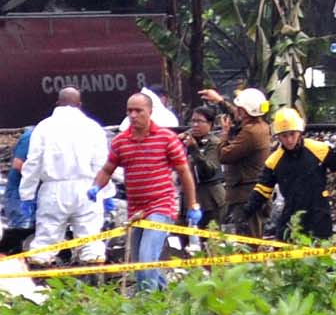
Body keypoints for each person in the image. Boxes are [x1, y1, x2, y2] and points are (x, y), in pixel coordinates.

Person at [90, 93, 199, 292]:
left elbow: (184, 171)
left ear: (149, 112)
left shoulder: (166, 138)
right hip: (136, 209)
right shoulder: (121, 141)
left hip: (161, 205)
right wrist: (96, 187)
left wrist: (192, 204)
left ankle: (146, 303)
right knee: (139, 263)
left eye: (138, 110)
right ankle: (165, 300)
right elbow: (107, 169)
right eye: (129, 110)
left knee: (147, 257)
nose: (133, 115)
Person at [18, 88, 110, 268]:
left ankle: (42, 285)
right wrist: (105, 192)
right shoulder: (92, 127)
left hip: (53, 191)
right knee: (91, 242)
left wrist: (27, 195)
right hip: (88, 190)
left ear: (57, 103)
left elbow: (33, 163)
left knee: (44, 243)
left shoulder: (44, 127)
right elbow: (103, 164)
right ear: (80, 105)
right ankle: (94, 287)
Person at [242, 108, 336, 241]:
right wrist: (247, 212)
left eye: (292, 134)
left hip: (319, 216)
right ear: (277, 136)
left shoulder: (320, 149)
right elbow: (262, 191)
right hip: (292, 218)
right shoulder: (274, 161)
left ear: (300, 132)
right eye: (284, 135)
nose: (289, 140)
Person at [199, 87, 273, 239]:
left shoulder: (250, 133)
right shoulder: (260, 126)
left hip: (246, 195)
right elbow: (237, 114)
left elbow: (224, 156)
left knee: (248, 241)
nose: (236, 111)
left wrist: (224, 135)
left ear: (245, 112)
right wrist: (219, 100)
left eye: (240, 109)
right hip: (249, 193)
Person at [182, 105, 226, 228]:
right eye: (193, 121)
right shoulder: (187, 139)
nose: (195, 125)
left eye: (200, 121)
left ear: (210, 124)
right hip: (189, 199)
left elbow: (208, 170)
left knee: (210, 239)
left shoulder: (213, 143)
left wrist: (194, 150)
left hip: (210, 200)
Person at [1, 127, 35, 255]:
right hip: (19, 194)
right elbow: (18, 164)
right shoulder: (31, 136)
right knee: (20, 231)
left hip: (33, 193)